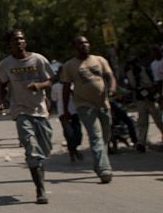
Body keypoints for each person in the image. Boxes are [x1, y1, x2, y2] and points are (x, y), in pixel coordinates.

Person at [0, 29, 54, 204]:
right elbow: (2, 85)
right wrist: (3, 102)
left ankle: (38, 169)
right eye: (15, 40)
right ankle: (40, 190)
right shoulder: (5, 64)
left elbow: (50, 80)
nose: (19, 42)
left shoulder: (38, 59)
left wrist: (39, 85)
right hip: (20, 110)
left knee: (45, 149)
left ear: (25, 42)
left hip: (40, 109)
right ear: (10, 45)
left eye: (21, 39)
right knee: (31, 147)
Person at [60, 36, 114, 184]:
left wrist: (112, 90)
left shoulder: (99, 60)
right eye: (80, 43)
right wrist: (65, 110)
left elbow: (110, 76)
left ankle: (100, 164)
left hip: (103, 104)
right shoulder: (69, 66)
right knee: (96, 136)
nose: (84, 45)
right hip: (84, 105)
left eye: (86, 42)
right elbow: (65, 88)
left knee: (105, 136)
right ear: (74, 47)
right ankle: (104, 168)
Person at [125, 54, 163, 151]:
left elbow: (155, 82)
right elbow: (130, 86)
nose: (133, 65)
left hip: (150, 98)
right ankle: (141, 142)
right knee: (142, 122)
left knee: (159, 120)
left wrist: (154, 94)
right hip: (140, 100)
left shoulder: (145, 70)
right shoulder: (129, 74)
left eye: (134, 62)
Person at [50, 71, 83, 162]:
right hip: (63, 113)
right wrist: (50, 111)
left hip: (74, 111)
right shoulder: (55, 87)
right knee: (69, 134)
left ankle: (74, 148)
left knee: (78, 133)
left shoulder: (73, 85)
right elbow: (54, 99)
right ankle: (72, 153)